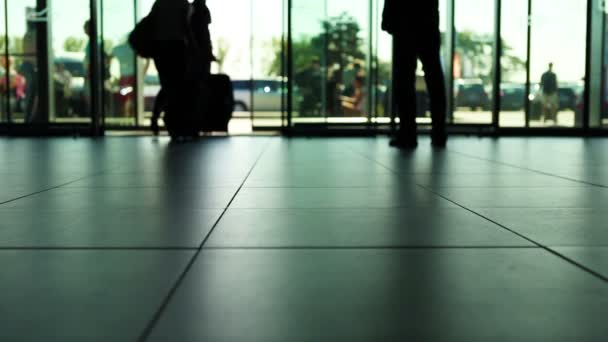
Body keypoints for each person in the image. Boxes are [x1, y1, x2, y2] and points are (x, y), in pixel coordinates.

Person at [382, 0, 447, 148]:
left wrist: (387, 20)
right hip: (427, 24)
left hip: (404, 25)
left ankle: (408, 134)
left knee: (404, 81)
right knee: (434, 80)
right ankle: (439, 133)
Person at [148, 0, 215, 138]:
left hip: (160, 50)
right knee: (178, 88)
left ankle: (163, 120)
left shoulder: (160, 3)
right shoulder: (183, 4)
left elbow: (151, 23)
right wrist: (196, 49)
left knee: (168, 86)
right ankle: (178, 126)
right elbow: (187, 29)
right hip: (177, 49)